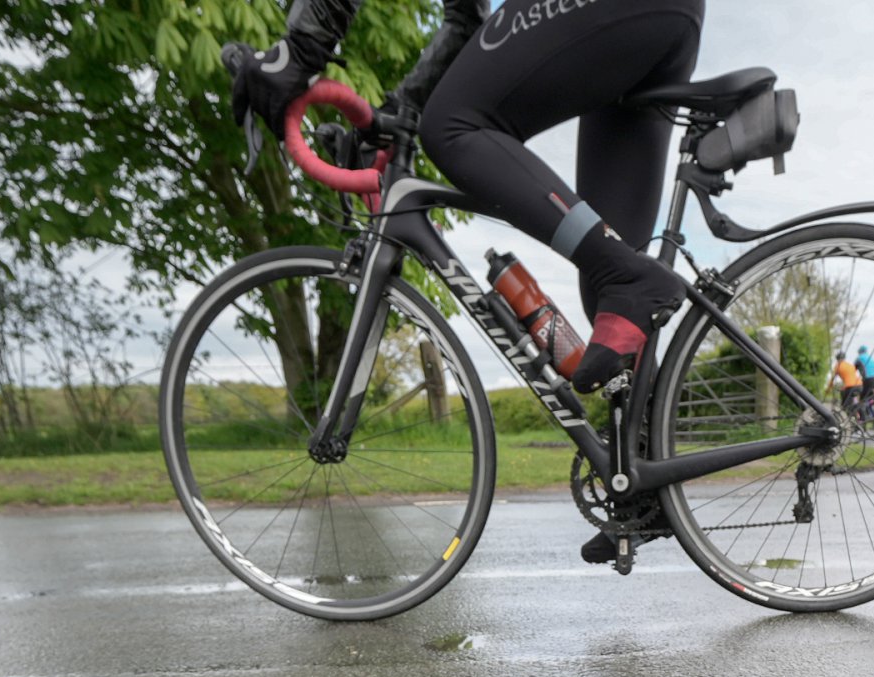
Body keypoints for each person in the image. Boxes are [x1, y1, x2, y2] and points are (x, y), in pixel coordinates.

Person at [225, 0, 700, 401]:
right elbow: (466, 21)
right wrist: (399, 110)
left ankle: (627, 275)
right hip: (666, 21)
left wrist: (301, 47)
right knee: (612, 306)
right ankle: (650, 488)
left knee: (451, 126)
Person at [828, 351, 865, 420]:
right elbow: (850, 377)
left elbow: (832, 379)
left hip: (850, 387)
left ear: (837, 359)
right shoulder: (850, 365)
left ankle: (848, 419)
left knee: (845, 405)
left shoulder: (837, 366)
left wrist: (828, 389)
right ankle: (860, 416)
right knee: (851, 402)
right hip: (859, 385)